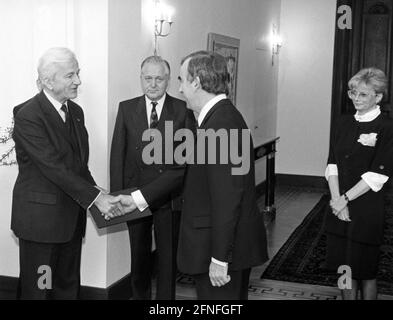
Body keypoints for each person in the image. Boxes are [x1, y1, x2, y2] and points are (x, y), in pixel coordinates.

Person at [12, 47, 123, 299]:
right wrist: (96, 199)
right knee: (41, 289)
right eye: (70, 75)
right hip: (40, 226)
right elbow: (53, 166)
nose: (78, 81)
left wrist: (98, 191)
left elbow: (77, 164)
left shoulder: (76, 112)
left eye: (78, 73)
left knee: (66, 287)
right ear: (49, 82)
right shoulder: (28, 115)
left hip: (71, 220)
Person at [176, 50, 268, 300]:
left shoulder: (221, 124)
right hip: (220, 245)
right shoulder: (219, 118)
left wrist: (219, 258)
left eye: (182, 80)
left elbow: (228, 199)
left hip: (220, 252)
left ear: (196, 82)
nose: (181, 89)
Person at [110, 55, 195, 300]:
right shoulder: (126, 108)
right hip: (134, 197)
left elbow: (185, 162)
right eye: (148, 78)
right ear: (141, 79)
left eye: (159, 79)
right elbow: (118, 154)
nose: (153, 84)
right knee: (139, 256)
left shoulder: (182, 110)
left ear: (168, 80)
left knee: (168, 259)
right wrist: (118, 196)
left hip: (169, 197)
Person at [325, 67, 393, 300]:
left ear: (378, 97)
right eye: (353, 92)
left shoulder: (386, 127)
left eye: (363, 94)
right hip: (338, 205)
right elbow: (332, 164)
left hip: (366, 209)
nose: (356, 98)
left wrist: (344, 200)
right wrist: (336, 201)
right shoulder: (342, 122)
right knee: (344, 268)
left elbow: (377, 175)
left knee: (365, 271)